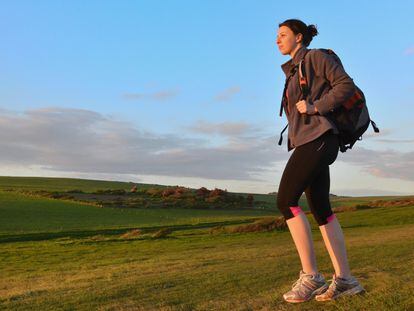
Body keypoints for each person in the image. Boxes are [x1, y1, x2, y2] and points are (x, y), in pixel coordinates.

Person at [275, 19, 366, 303]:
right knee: (321, 209)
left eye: (283, 35)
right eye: (276, 36)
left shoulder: (315, 58)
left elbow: (345, 86)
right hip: (310, 141)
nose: (277, 40)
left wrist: (316, 107)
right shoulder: (293, 70)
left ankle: (311, 276)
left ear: (299, 37)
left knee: (286, 200)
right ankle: (345, 280)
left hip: (320, 139)